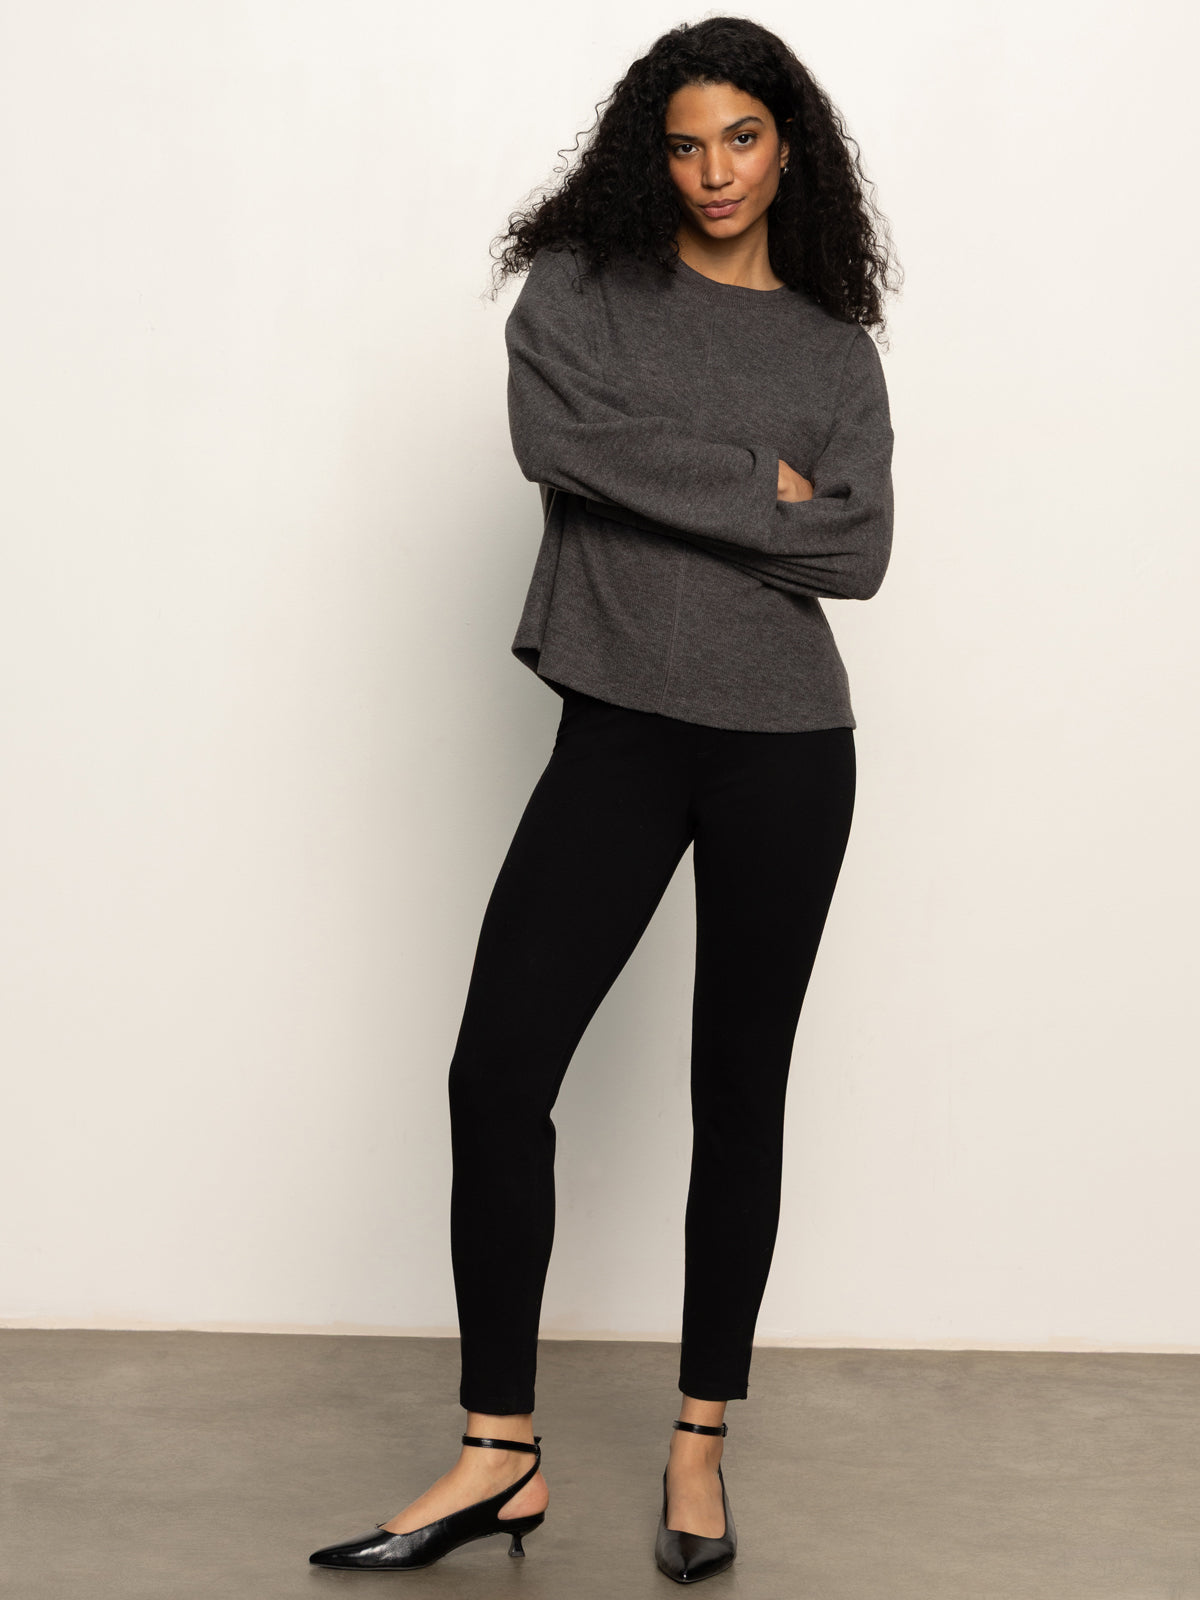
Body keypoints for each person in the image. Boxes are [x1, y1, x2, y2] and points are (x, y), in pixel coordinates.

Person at [309, 13, 898, 1585]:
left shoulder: (833, 350)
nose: (713, 172)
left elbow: (856, 553)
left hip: (786, 741)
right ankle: (498, 1455)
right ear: (653, 150)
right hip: (622, 729)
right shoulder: (579, 291)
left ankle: (700, 1448)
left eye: (744, 141)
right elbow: (551, 440)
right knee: (497, 1075)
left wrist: (681, 473)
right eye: (686, 143)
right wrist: (757, 483)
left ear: (792, 152)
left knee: (739, 1095)